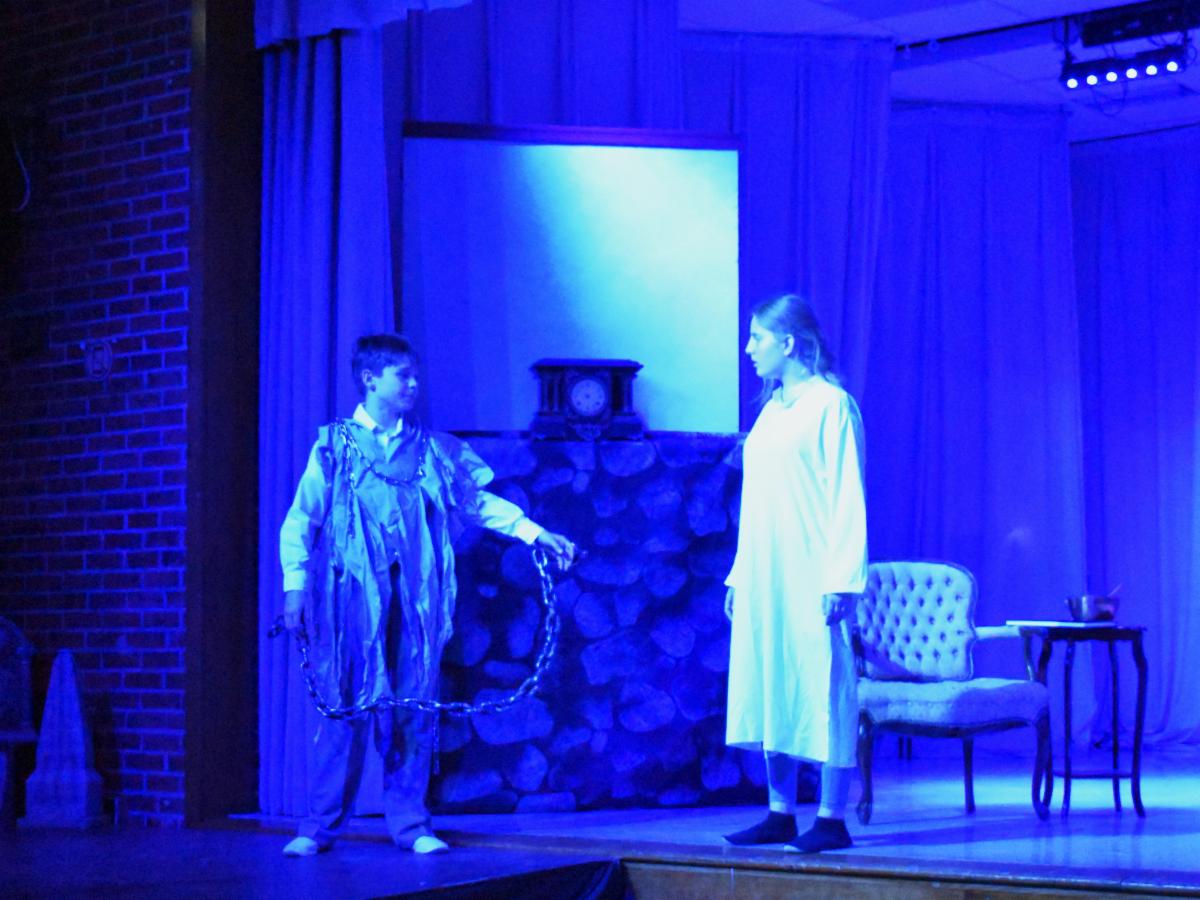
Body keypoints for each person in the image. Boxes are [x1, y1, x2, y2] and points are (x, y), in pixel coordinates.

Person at [278, 334, 576, 857]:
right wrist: (295, 587)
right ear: (371, 380)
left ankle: (411, 824)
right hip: (352, 601)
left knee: (414, 703)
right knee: (344, 703)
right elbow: (303, 518)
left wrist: (533, 532)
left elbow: (475, 502)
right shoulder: (335, 445)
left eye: (415, 375)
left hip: (414, 601)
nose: (414, 385)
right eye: (403, 376)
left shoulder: (433, 450)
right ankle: (318, 826)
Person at [722, 294, 867, 853]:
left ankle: (831, 818)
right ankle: (779, 811)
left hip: (813, 572)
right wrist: (740, 575)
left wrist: (841, 579)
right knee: (772, 681)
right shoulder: (771, 411)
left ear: (788, 342)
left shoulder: (832, 405)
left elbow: (847, 495)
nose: (748, 349)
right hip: (767, 573)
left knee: (825, 686)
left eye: (757, 338)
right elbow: (757, 503)